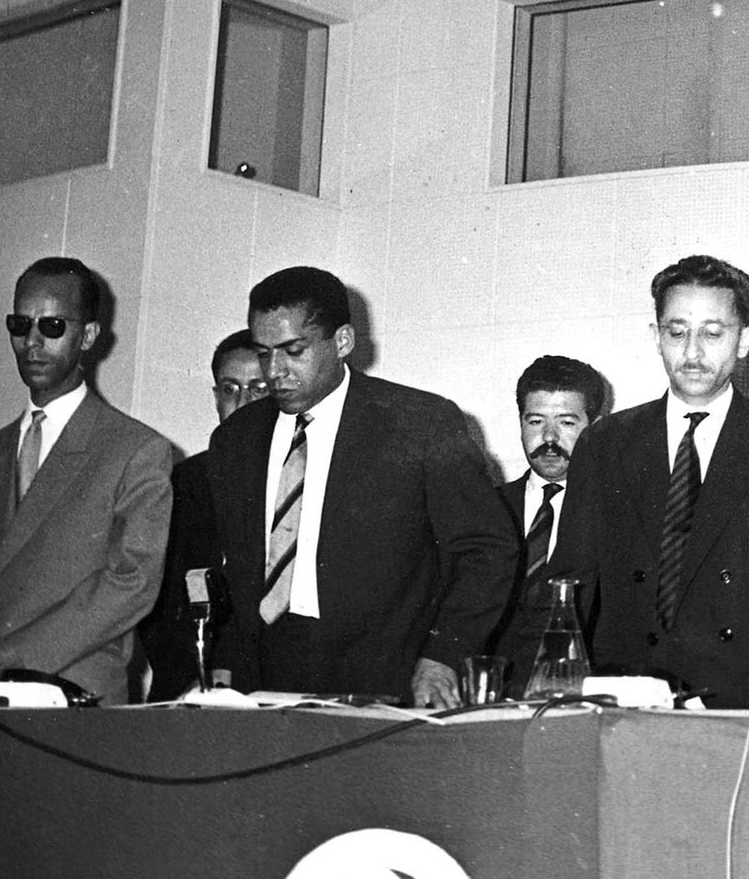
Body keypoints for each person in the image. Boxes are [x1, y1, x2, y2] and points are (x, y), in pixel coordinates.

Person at [550, 255, 749, 707]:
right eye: (677, 333)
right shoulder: (605, 444)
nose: (692, 352)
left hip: (748, 708)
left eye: (713, 333)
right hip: (624, 703)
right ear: (655, 337)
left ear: (746, 340)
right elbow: (567, 590)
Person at [205, 266, 518, 706]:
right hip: (262, 677)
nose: (275, 371)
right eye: (263, 353)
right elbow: (239, 567)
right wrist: (228, 657)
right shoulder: (236, 439)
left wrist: (443, 654)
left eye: (293, 351)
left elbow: (488, 551)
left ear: (344, 342)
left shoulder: (420, 424)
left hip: (386, 678)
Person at [0, 258, 173, 704]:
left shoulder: (135, 451)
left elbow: (129, 585)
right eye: (20, 324)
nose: (33, 341)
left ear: (89, 336)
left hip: (70, 702)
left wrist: (5, 653)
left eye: (53, 326)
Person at [139, 330, 267, 701]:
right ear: (215, 397)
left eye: (258, 388)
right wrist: (194, 676)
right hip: (187, 685)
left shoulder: (298, 478)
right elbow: (154, 599)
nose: (242, 402)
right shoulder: (181, 482)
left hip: (269, 687)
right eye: (230, 388)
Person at [488, 354, 607, 693]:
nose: (550, 437)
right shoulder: (486, 507)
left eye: (567, 423)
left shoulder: (616, 515)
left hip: (577, 699)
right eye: (536, 421)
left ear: (594, 427)